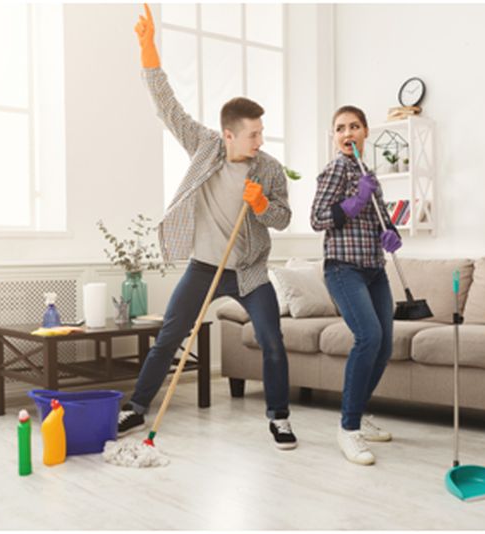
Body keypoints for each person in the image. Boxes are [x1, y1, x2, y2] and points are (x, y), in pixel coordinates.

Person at [118, 3, 297, 450]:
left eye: (262, 132)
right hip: (204, 266)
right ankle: (136, 408)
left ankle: (279, 418)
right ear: (229, 135)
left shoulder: (269, 168)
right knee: (169, 338)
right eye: (253, 134)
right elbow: (168, 108)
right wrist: (148, 50)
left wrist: (261, 207)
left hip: (251, 272)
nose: (260, 140)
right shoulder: (205, 147)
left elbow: (284, 217)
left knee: (272, 341)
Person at [310, 105, 402, 465]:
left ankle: (360, 412)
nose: (347, 133)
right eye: (339, 128)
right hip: (342, 269)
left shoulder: (370, 174)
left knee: (385, 344)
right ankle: (348, 429)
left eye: (354, 126)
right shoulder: (334, 170)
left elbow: (380, 219)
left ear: (366, 133)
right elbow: (318, 218)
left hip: (374, 268)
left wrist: (391, 234)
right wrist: (354, 201)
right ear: (335, 137)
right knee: (368, 337)